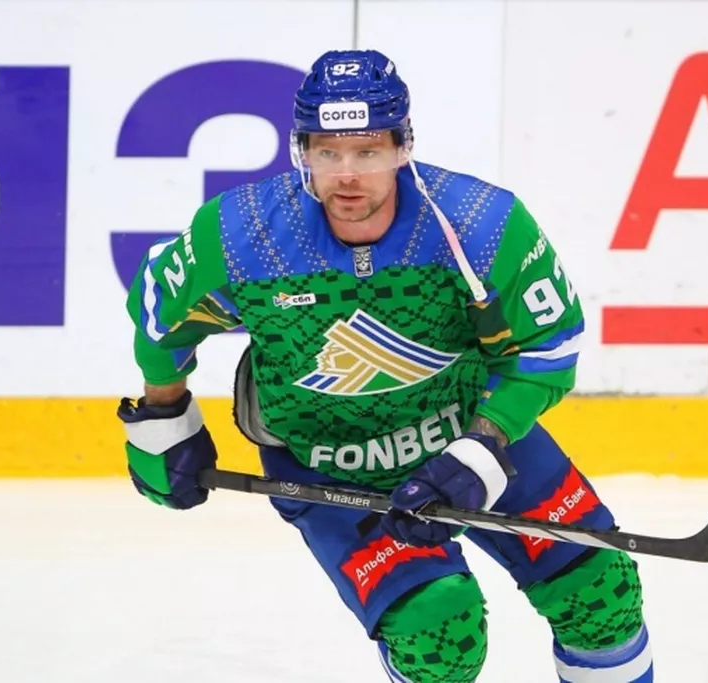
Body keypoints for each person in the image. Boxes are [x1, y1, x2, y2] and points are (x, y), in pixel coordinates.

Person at [117, 49, 654, 683]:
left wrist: (482, 447)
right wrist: (164, 417)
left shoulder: (481, 225)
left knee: (599, 595)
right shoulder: (241, 236)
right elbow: (161, 317)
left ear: (403, 147)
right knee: (438, 635)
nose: (347, 175)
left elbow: (549, 349)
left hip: (467, 430)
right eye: (327, 152)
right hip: (328, 463)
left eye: (368, 151)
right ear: (301, 151)